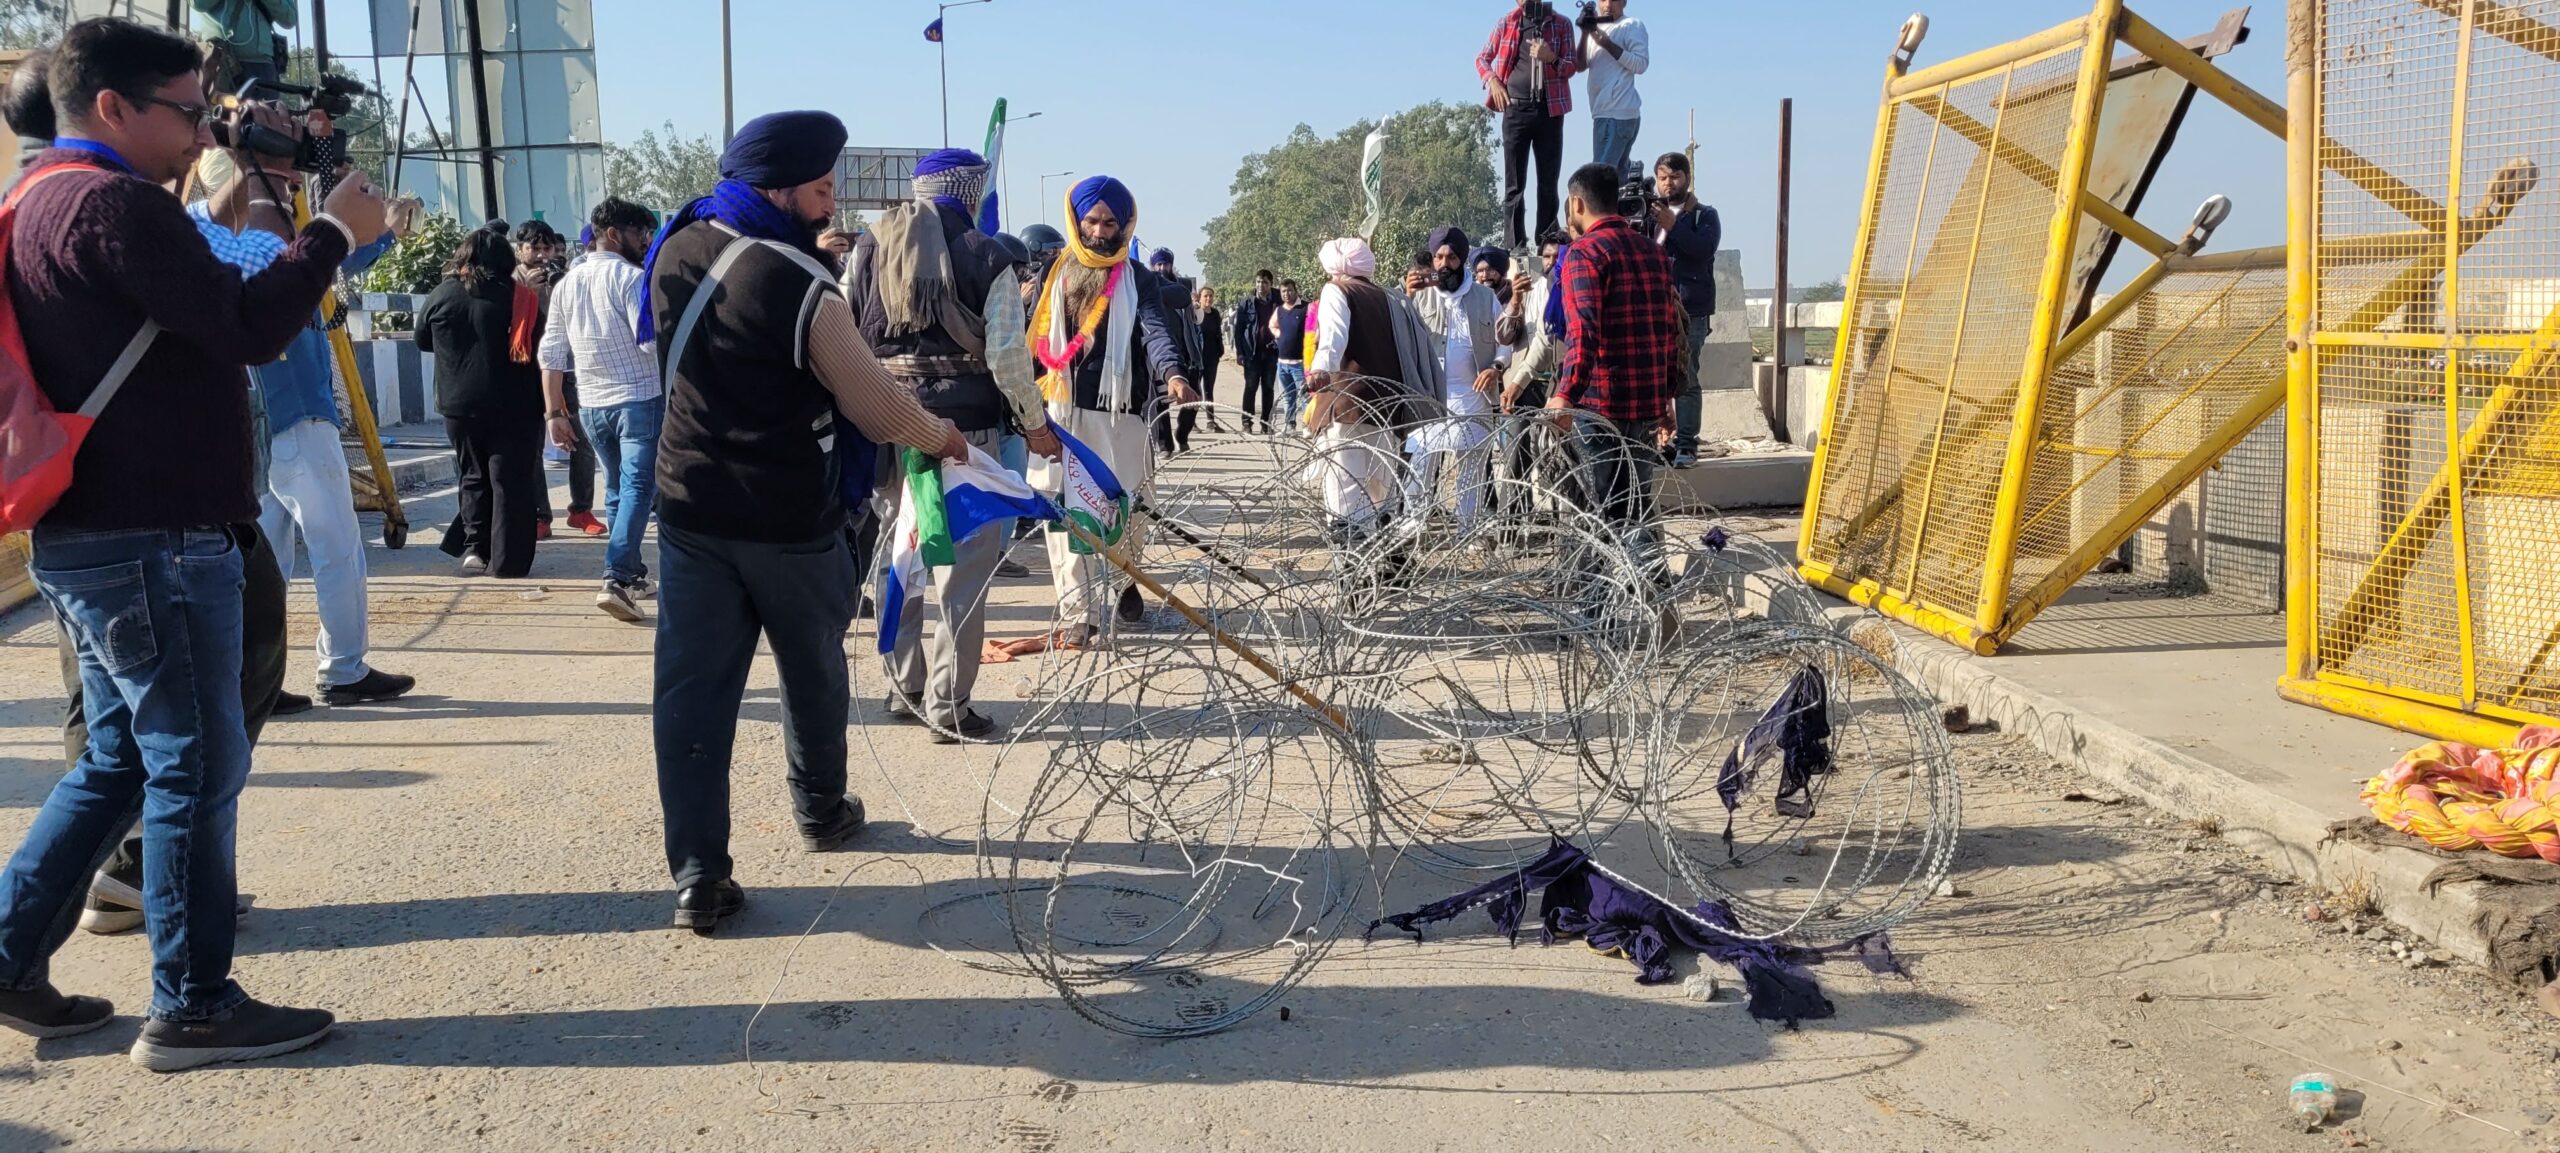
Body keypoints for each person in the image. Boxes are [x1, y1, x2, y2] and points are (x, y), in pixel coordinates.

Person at [0, 16, 389, 1068]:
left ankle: (9, 954)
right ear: (112, 107)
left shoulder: (36, 198)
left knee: (120, 759)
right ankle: (194, 1003)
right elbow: (249, 323)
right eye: (185, 111)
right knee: (194, 763)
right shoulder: (115, 205)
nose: (203, 133)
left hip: (88, 529)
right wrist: (333, 233)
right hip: (154, 535)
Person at [643, 110, 969, 933]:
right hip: (788, 517)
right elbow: (873, 403)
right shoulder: (797, 281)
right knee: (813, 670)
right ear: (777, 189)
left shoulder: (676, 248)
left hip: (690, 510)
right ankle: (822, 809)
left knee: (691, 694)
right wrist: (941, 436)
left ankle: (698, 875)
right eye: (820, 189)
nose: (831, 205)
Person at [846, 149, 1057, 742]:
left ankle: (903, 687)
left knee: (900, 555)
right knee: (963, 574)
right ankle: (950, 705)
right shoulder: (988, 255)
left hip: (889, 430)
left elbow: (848, 334)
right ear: (971, 192)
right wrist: (1034, 425)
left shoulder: (870, 245)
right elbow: (1008, 358)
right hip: (967, 440)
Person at [228, 154, 414, 709]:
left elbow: (332, 264)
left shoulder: (235, 251)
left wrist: (380, 235)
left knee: (268, 564)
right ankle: (343, 668)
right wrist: (380, 231)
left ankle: (257, 679)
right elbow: (330, 259)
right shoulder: (267, 253)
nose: (293, 195)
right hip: (300, 419)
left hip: (263, 423)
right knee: (337, 548)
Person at [1026, 176, 1194, 634]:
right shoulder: (1054, 273)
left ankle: (1125, 579)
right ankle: (1078, 615)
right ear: (1077, 222)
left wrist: (1173, 374)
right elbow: (1035, 338)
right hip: (1061, 413)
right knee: (1063, 513)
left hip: (1120, 415)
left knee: (1130, 511)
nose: (1099, 233)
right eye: (1092, 222)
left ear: (1124, 226)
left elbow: (1155, 332)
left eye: (1109, 224)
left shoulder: (1138, 278)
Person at [540, 196, 663, 621]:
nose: (645, 241)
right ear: (613, 233)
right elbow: (649, 343)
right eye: (640, 233)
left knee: (616, 488)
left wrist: (554, 413)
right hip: (639, 400)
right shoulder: (632, 279)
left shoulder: (566, 283)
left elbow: (551, 352)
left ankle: (634, 574)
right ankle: (617, 577)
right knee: (638, 488)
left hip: (591, 405)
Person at [1551, 162, 1679, 554]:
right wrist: (1667, 399)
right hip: (1644, 405)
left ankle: (1592, 594)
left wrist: (1565, 395)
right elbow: (1668, 332)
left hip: (1600, 408)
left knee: (1595, 517)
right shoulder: (1653, 253)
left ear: (1577, 204)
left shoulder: (1584, 254)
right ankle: (1649, 584)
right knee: (1634, 508)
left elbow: (1583, 333)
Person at [421, 228, 545, 578]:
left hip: (458, 404)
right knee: (510, 479)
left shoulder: (442, 293)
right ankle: (509, 562)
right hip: (515, 406)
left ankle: (475, 550)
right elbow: (540, 346)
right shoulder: (519, 297)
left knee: (473, 475)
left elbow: (422, 340)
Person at [1305, 238, 1423, 536]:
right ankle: (1379, 552)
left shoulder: (1337, 290)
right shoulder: (1388, 297)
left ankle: (1352, 558)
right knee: (1378, 489)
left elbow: (1334, 334)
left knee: (1345, 488)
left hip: (1348, 406)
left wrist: (1320, 369)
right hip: (1387, 407)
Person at [1400, 226, 1509, 539]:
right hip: (1430, 396)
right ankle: (1412, 528)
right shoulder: (1420, 295)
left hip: (1473, 396)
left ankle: (1467, 531)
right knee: (1421, 464)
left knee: (1471, 468)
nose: (1443, 263)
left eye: (1450, 257)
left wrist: (1496, 368)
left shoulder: (1485, 297)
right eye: (1438, 257)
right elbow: (1401, 335)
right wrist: (1408, 297)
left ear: (1462, 260)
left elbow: (1504, 342)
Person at [513, 220, 599, 539]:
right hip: (525, 373)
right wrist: (527, 293)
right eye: (533, 248)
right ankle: (540, 515)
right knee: (532, 445)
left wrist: (560, 285)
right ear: (519, 249)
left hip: (566, 370)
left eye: (546, 248)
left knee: (581, 441)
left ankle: (581, 510)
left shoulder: (565, 279)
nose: (541, 255)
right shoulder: (509, 282)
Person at [1478, 0, 1580, 249]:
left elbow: (1571, 66)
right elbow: (1482, 58)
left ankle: (1547, 242)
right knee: (1514, 183)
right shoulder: (1507, 22)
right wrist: (1493, 81)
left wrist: (1550, 58)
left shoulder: (1561, 23)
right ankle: (1514, 244)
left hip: (1550, 109)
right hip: (1515, 108)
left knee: (1548, 181)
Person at [1651, 151, 1724, 467]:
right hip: (1654, 308)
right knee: (1652, 377)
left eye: (1674, 177)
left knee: (1687, 377)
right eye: (1662, 178)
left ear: (1687, 178)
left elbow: (1703, 250)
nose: (1668, 183)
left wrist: (1675, 226)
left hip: (1691, 310)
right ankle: (1654, 442)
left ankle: (1686, 445)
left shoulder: (1704, 215)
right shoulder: (1650, 215)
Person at [1147, 248, 1207, 455]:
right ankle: (1165, 445)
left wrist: (1195, 305)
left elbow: (1197, 320)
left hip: (1187, 352)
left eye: (1165, 264)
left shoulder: (1183, 287)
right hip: (1162, 352)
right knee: (1162, 400)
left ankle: (1182, 435)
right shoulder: (1149, 287)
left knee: (1193, 397)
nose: (1162, 268)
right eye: (1158, 264)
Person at [1581, 0, 1649, 178]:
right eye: (1603, 0)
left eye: (1614, 0)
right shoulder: (1595, 27)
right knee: (1615, 178)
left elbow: (1641, 64)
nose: (1608, 5)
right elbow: (1580, 65)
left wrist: (1607, 44)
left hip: (1617, 113)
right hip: (1602, 112)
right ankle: (1633, 179)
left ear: (1624, 2)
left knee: (1600, 178)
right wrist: (1585, 31)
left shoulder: (1632, 25)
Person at [190, 0, 293, 91]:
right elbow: (198, 3)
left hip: (264, 65)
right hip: (221, 63)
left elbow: (290, 18)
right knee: (218, 107)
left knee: (268, 106)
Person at [1231, 268, 1279, 431]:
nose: (1261, 285)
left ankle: (1266, 423)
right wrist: (1239, 353)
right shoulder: (1247, 302)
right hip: (1252, 353)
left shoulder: (1278, 300)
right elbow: (1238, 329)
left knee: (1268, 388)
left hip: (1271, 353)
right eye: (1258, 282)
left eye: (1264, 282)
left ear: (1271, 284)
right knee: (1250, 387)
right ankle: (1247, 422)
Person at [1270, 278, 1312, 435]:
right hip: (1282, 363)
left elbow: (1315, 329)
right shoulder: (1279, 310)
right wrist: (1279, 335)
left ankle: (1307, 426)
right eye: (1283, 291)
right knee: (1288, 397)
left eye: (1289, 290)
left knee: (1304, 397)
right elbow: (1272, 325)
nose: (1286, 294)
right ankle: (1290, 426)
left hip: (1300, 363)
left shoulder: (1306, 308)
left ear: (1295, 291)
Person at [1194, 285, 1225, 433]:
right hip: (1197, 357)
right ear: (1199, 298)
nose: (1208, 298)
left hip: (1212, 357)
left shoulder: (1215, 314)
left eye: (1211, 296)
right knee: (1195, 390)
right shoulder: (1195, 314)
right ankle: (1190, 422)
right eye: (1205, 296)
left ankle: (1210, 421)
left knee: (1209, 390)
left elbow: (1218, 333)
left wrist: (1220, 350)